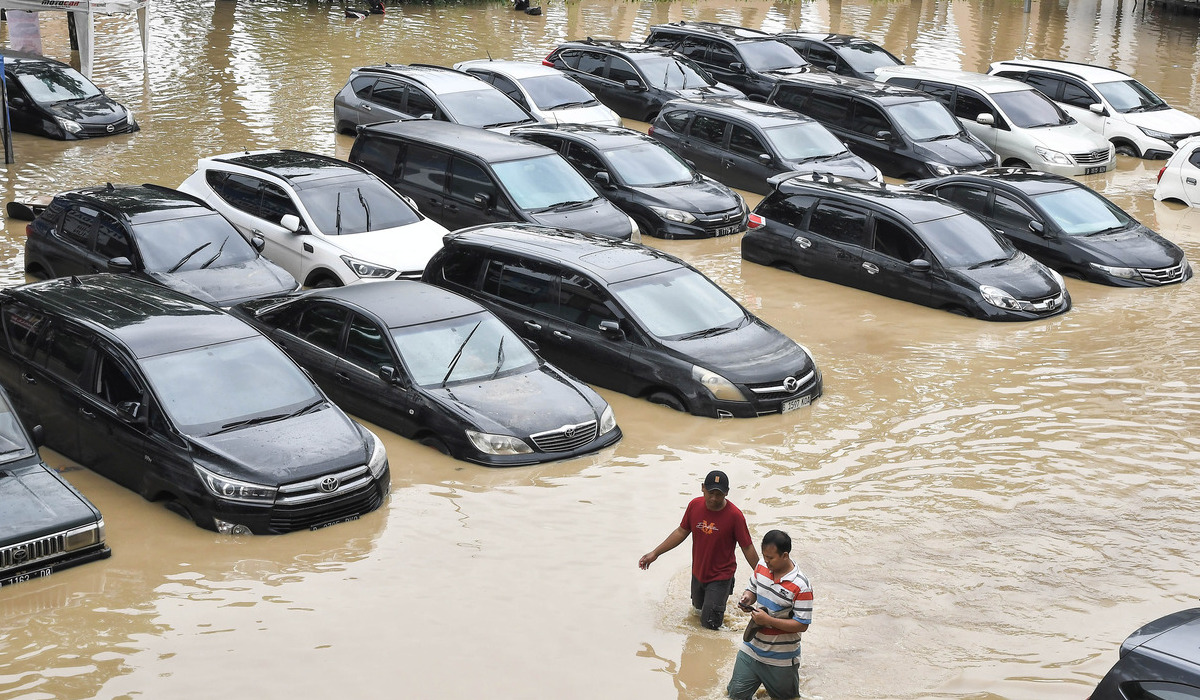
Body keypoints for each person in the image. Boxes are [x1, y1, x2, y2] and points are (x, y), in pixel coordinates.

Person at [639, 470, 759, 630]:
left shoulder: (735, 516)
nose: (714, 498)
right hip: (698, 574)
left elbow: (747, 547)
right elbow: (681, 531)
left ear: (727, 493)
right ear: (702, 488)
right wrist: (655, 553)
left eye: (719, 494)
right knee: (697, 612)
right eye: (710, 493)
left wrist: (762, 575)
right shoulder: (694, 506)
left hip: (721, 577)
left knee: (709, 625)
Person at [727, 530, 812, 700]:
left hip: (781, 658)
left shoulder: (801, 586)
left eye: (771, 558)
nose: (766, 561)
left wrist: (768, 620)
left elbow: (802, 624)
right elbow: (752, 589)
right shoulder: (761, 566)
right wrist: (747, 598)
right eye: (764, 555)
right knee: (735, 695)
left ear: (785, 555)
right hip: (751, 649)